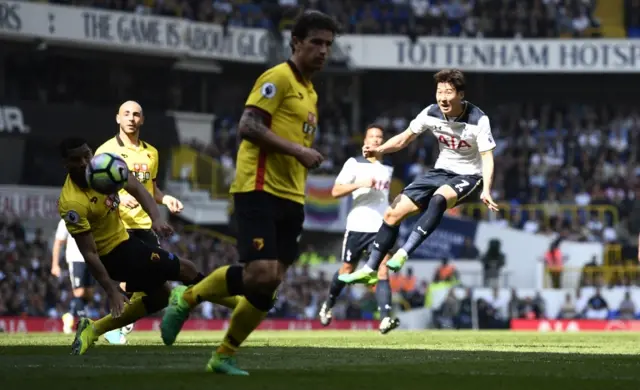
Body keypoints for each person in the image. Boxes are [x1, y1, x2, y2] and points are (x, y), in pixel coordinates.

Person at [160, 10, 339, 376]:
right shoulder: (277, 78)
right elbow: (248, 125)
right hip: (258, 187)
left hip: (292, 195)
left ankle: (223, 354)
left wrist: (301, 157)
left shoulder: (310, 92)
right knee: (259, 274)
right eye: (316, 42)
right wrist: (298, 151)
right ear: (296, 43)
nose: (323, 51)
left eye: (328, 45)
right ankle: (188, 296)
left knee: (269, 286)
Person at [340, 69, 499, 284]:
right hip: (440, 170)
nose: (442, 97)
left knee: (439, 199)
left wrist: (487, 189)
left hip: (470, 175)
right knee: (391, 214)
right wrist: (380, 150)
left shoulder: (478, 120)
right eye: (439, 91)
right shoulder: (430, 113)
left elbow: (487, 157)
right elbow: (404, 138)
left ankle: (403, 253)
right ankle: (370, 269)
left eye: (448, 92)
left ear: (461, 95)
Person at [58, 137, 210, 355]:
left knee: (160, 297)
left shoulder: (105, 166)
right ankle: (235, 299)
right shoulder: (72, 203)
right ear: (66, 164)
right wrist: (110, 290)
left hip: (127, 239)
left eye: (86, 155)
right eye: (76, 159)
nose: (84, 162)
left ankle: (93, 329)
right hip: (113, 255)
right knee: (187, 269)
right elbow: (89, 253)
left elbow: (137, 187)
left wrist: (156, 218)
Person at [90, 100, 195, 343]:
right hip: (118, 227)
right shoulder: (106, 150)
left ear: (142, 120)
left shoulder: (152, 153)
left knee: (157, 285)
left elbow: (151, 189)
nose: (131, 118)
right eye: (126, 114)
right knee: (140, 279)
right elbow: (95, 188)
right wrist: (115, 199)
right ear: (117, 118)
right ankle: (115, 325)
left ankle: (116, 325)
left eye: (136, 114)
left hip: (145, 225)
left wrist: (165, 199)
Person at [318, 124, 400, 334]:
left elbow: (383, 197)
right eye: (372, 136)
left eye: (380, 137)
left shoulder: (388, 166)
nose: (376, 140)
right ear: (365, 141)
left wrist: (394, 202)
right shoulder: (354, 163)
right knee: (347, 270)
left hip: (380, 227)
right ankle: (328, 303)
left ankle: (385, 319)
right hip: (357, 226)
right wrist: (359, 183)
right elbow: (336, 191)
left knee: (382, 269)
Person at [51, 219, 125, 344]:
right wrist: (55, 264)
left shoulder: (92, 216)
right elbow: (58, 242)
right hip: (76, 258)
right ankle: (83, 325)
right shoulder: (67, 219)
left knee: (89, 294)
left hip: (92, 258)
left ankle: (69, 315)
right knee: (79, 292)